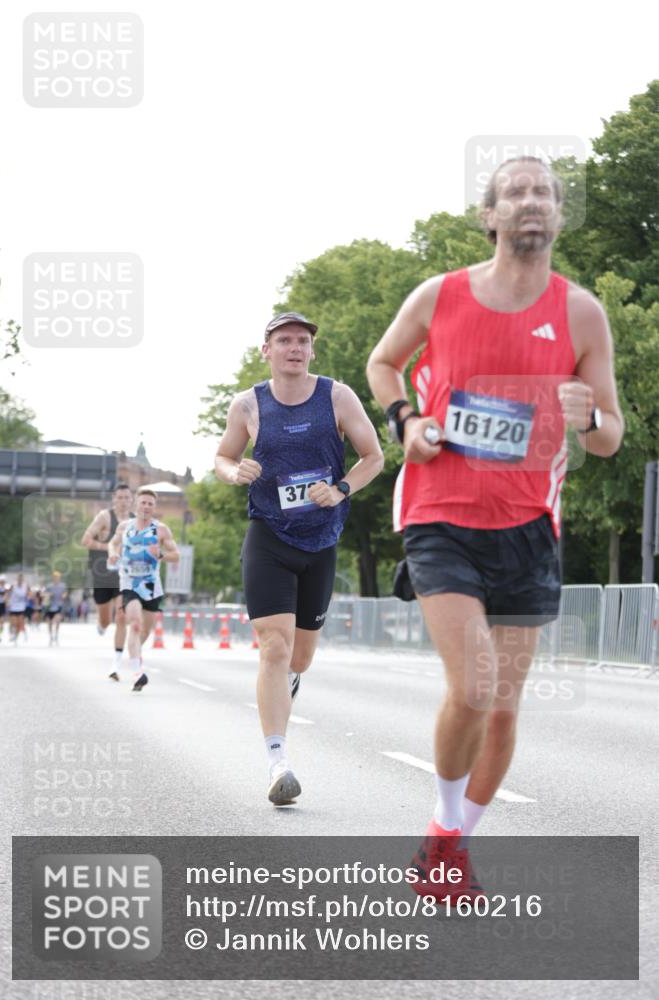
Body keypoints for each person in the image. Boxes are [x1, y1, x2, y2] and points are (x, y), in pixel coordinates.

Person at [366, 156, 624, 900]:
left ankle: (448, 845)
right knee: (474, 688)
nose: (530, 200)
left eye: (543, 191)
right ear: (490, 217)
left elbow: (608, 434)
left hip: (528, 526)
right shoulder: (440, 295)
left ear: (556, 216)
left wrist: (590, 418)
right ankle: (443, 821)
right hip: (439, 515)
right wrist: (407, 423)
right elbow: (384, 363)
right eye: (515, 191)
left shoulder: (581, 312)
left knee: (503, 712)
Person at [215, 311, 384, 806]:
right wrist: (233, 472)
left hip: (321, 540)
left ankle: (286, 680)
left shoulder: (337, 395)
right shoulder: (248, 404)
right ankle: (278, 762)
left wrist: (341, 489)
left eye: (302, 340)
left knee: (299, 657)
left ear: (312, 350)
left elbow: (373, 456)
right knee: (273, 645)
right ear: (265, 350)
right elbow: (223, 456)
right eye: (284, 340)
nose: (294, 347)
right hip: (268, 536)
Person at [107, 488, 179, 691]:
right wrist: (113, 554)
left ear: (154, 507)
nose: (146, 507)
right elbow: (112, 545)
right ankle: (138, 672)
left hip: (152, 586)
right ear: (136, 505)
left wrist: (162, 555)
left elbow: (176, 555)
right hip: (130, 583)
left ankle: (136, 654)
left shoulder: (161, 530)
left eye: (150, 504)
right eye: (143, 502)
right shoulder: (124, 527)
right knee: (135, 624)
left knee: (146, 630)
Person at [81, 484, 134, 677]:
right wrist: (110, 549)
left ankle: (116, 664)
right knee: (105, 620)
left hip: (125, 577)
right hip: (103, 575)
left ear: (131, 500)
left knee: (121, 615)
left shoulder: (136, 521)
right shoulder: (104, 517)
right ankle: (101, 625)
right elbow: (85, 540)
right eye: (119, 497)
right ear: (114, 499)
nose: (123, 501)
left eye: (126, 497)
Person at [44, 571, 68, 645]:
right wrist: (50, 594)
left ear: (59, 578)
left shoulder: (62, 586)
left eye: (57, 577)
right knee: (49, 623)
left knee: (57, 620)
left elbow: (65, 593)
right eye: (55, 577)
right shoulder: (49, 586)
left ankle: (56, 635)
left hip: (58, 605)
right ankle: (51, 636)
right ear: (53, 577)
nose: (56, 578)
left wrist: (64, 595)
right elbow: (44, 594)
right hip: (50, 606)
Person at [8, 573, 29, 643]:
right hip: (13, 607)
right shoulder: (13, 586)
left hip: (21, 607)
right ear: (17, 580)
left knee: (19, 624)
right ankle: (12, 634)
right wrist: (7, 602)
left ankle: (16, 637)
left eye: (21, 579)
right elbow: (7, 594)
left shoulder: (25, 586)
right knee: (14, 622)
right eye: (19, 579)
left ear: (23, 580)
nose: (20, 581)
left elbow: (28, 595)